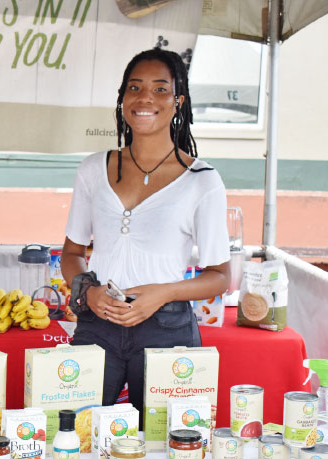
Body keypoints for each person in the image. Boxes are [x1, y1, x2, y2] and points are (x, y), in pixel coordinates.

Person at [60, 48, 230, 424]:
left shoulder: (202, 181)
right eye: (135, 88)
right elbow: (71, 254)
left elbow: (220, 276)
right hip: (98, 323)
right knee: (72, 433)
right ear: (122, 98)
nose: (145, 98)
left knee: (169, 444)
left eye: (160, 89)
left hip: (166, 329)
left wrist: (162, 293)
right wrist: (88, 291)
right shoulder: (93, 169)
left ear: (178, 101)